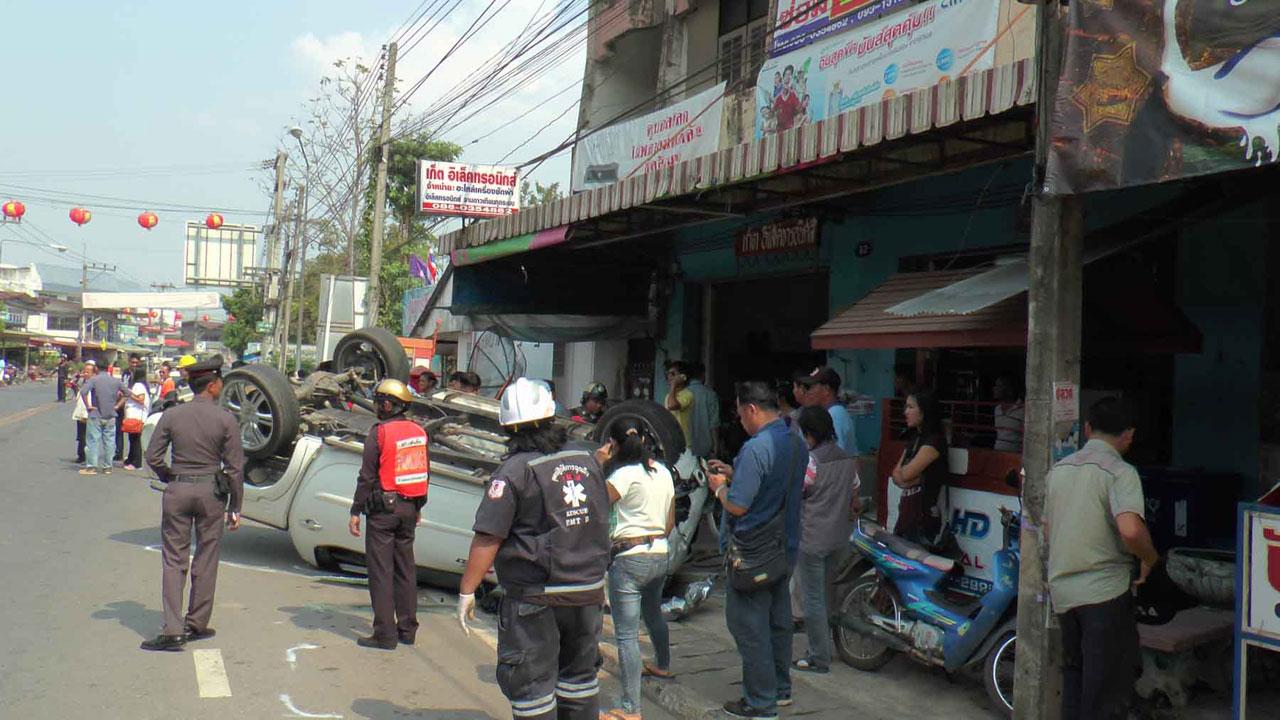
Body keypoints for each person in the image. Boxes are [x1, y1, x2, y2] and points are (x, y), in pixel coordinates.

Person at [457, 377, 611, 720]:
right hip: (587, 593)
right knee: (579, 682)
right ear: (551, 417)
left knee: (532, 691)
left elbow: (488, 536)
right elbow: (602, 513)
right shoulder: (586, 460)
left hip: (536, 598)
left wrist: (467, 590)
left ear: (507, 427)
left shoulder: (512, 471)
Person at [1045, 397, 1158, 720]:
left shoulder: (1059, 470)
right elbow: (1131, 530)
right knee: (1106, 692)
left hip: (1064, 595)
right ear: (1129, 435)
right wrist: (1150, 558)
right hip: (1104, 594)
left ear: (1087, 428)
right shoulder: (1120, 472)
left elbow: (1049, 529)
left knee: (1075, 680)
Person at [705, 381, 807, 720]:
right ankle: (780, 689)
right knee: (778, 621)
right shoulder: (795, 440)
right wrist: (736, 473)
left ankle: (760, 703)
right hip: (785, 546)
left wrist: (720, 488)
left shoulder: (756, 447)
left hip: (753, 552)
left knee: (749, 626)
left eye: (740, 414)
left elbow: (738, 506)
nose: (740, 421)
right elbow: (774, 481)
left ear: (751, 409)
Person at [141, 355, 245, 651]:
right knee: (206, 557)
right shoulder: (226, 418)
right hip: (212, 493)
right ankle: (196, 623)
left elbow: (152, 456)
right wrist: (235, 506)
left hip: (178, 489)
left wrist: (171, 476)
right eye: (219, 382)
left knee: (174, 559)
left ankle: (173, 629)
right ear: (212, 386)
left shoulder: (172, 415)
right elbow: (235, 469)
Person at [598, 418, 676, 719]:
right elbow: (669, 521)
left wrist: (599, 464)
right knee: (653, 611)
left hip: (630, 557)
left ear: (613, 444)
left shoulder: (623, 475)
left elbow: (594, 502)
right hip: (660, 552)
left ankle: (631, 707)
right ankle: (663, 664)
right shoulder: (662, 471)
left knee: (627, 636)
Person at [348, 379, 430, 649]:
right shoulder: (419, 432)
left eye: (378, 402)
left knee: (381, 572)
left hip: (384, 511)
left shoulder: (379, 433)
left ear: (386, 405)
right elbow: (423, 472)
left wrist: (356, 510)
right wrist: (418, 507)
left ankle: (385, 634)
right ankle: (407, 630)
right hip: (410, 508)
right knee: (405, 569)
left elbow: (367, 477)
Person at [793, 407, 860, 673]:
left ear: (809, 434)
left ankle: (819, 657)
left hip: (812, 538)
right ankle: (829, 646)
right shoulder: (846, 459)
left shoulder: (811, 462)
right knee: (829, 595)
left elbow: (796, 491)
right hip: (839, 538)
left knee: (813, 599)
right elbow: (855, 489)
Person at [891, 389, 947, 544]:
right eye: (906, 407)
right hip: (906, 515)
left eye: (911, 407)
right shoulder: (914, 438)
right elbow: (896, 476)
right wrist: (913, 478)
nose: (906, 412)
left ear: (925, 410)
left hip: (923, 520)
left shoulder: (934, 441)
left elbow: (905, 475)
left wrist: (908, 477)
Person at [795, 367, 858, 456]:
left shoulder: (835, 414)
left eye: (812, 387)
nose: (808, 392)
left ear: (826, 389)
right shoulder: (830, 412)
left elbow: (834, 454)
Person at [79, 358, 124, 476]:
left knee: (93, 441)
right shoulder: (115, 381)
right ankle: (108, 467)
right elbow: (127, 394)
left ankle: (91, 467)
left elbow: (83, 392)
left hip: (96, 414)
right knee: (109, 442)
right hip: (110, 415)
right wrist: (117, 406)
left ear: (96, 368)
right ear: (108, 368)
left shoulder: (94, 380)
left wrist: (88, 406)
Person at [686, 363, 721, 458]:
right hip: (706, 449)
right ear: (703, 374)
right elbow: (714, 424)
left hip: (686, 449)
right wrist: (716, 446)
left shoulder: (681, 395)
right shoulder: (710, 394)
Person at [664, 361, 695, 448]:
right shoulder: (668, 396)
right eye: (668, 374)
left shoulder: (688, 394)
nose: (669, 377)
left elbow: (672, 406)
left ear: (683, 376)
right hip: (670, 442)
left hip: (683, 443)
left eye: (673, 374)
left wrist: (673, 385)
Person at [993, 375, 1025, 453]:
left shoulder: (1023, 409)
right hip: (997, 454)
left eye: (998, 386)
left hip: (1014, 456)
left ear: (1009, 389)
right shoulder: (997, 409)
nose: (994, 389)